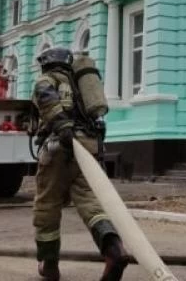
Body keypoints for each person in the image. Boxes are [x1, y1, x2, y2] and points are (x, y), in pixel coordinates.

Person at [32, 47, 127, 281]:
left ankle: (49, 263)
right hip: (88, 147)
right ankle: (114, 251)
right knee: (92, 205)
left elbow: (45, 97)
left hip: (60, 148)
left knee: (47, 205)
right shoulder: (81, 86)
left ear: (47, 64)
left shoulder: (48, 79)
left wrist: (62, 127)